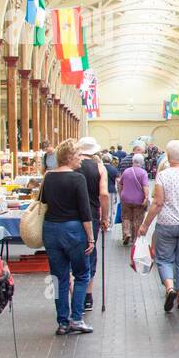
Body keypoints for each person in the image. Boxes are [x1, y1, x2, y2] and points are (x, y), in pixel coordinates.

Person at [138, 140, 179, 312]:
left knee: (164, 259)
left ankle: (169, 288)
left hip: (167, 223)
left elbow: (158, 203)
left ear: (167, 156)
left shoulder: (163, 175)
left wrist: (145, 224)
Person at [39, 139, 96, 337]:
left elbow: (44, 201)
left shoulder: (48, 177)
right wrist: (90, 237)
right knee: (81, 274)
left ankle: (62, 321)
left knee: (59, 277)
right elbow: (85, 211)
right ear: (70, 157)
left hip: (51, 229)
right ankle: (77, 318)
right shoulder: (77, 179)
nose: (81, 159)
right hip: (73, 230)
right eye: (79, 155)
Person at [76, 137, 110, 311]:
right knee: (90, 251)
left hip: (71, 216)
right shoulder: (99, 167)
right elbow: (104, 194)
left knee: (71, 254)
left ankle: (73, 294)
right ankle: (87, 295)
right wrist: (105, 217)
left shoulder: (71, 166)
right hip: (91, 215)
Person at [119, 152, 149, 246]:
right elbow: (145, 186)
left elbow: (120, 184)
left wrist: (121, 194)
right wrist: (146, 197)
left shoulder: (126, 171)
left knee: (126, 217)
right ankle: (136, 239)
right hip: (139, 199)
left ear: (133, 161)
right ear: (142, 162)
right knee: (137, 219)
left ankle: (127, 233)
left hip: (126, 198)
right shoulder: (143, 173)